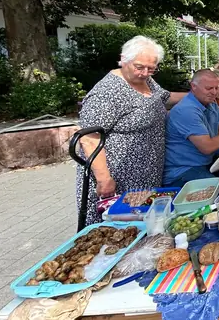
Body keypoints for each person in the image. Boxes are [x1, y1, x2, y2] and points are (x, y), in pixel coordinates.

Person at [75, 36, 187, 225]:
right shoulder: (106, 92)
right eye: (139, 67)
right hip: (119, 178)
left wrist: (197, 94)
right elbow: (89, 138)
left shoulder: (146, 80)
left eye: (151, 69)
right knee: (119, 230)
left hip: (145, 175)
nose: (145, 73)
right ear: (123, 60)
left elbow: (165, 97)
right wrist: (104, 179)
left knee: (146, 224)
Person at [164, 69, 219, 187]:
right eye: (209, 88)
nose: (214, 92)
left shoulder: (210, 103)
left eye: (216, 88)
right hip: (182, 171)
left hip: (204, 162)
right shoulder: (186, 110)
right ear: (193, 86)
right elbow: (207, 147)